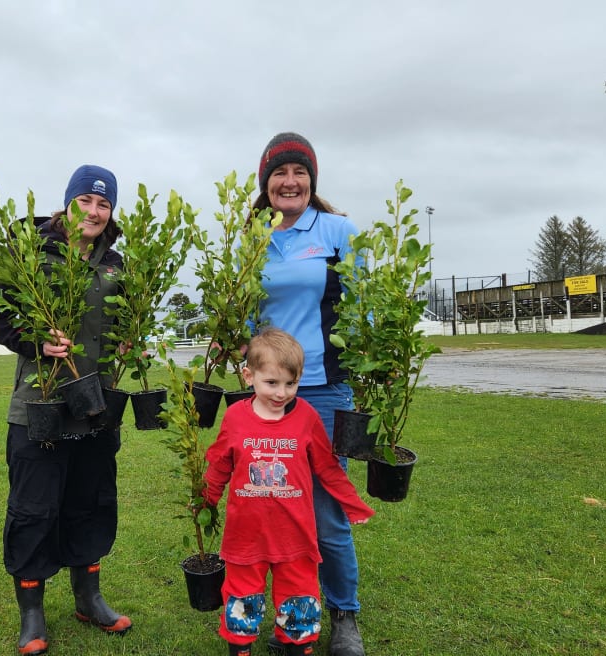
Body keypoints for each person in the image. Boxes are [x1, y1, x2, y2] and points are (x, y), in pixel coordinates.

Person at [0, 164, 131, 656]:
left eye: (103, 204)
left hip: (96, 406)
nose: (93, 211)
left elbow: (123, 324)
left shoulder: (117, 265)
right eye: (85, 200)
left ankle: (89, 600)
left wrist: (132, 342)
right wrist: (35, 341)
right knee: (33, 510)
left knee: (90, 504)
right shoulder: (27, 254)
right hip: (38, 406)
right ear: (67, 203)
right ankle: (32, 615)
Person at [252, 132, 369, 656]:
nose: (290, 181)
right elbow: (245, 311)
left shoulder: (339, 231)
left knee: (325, 508)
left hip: (322, 388)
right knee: (274, 502)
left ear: (312, 179)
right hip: (265, 389)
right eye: (280, 173)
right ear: (266, 182)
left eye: (299, 172)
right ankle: (294, 609)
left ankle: (344, 613)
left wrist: (374, 369)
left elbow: (363, 308)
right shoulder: (253, 237)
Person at [202, 328, 374, 656]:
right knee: (242, 602)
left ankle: (297, 646)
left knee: (299, 602)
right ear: (249, 375)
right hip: (245, 537)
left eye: (290, 384)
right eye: (272, 383)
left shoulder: (307, 418)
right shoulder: (236, 416)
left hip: (295, 537)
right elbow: (220, 462)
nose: (282, 393)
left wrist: (353, 505)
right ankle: (240, 648)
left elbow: (327, 468)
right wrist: (206, 499)